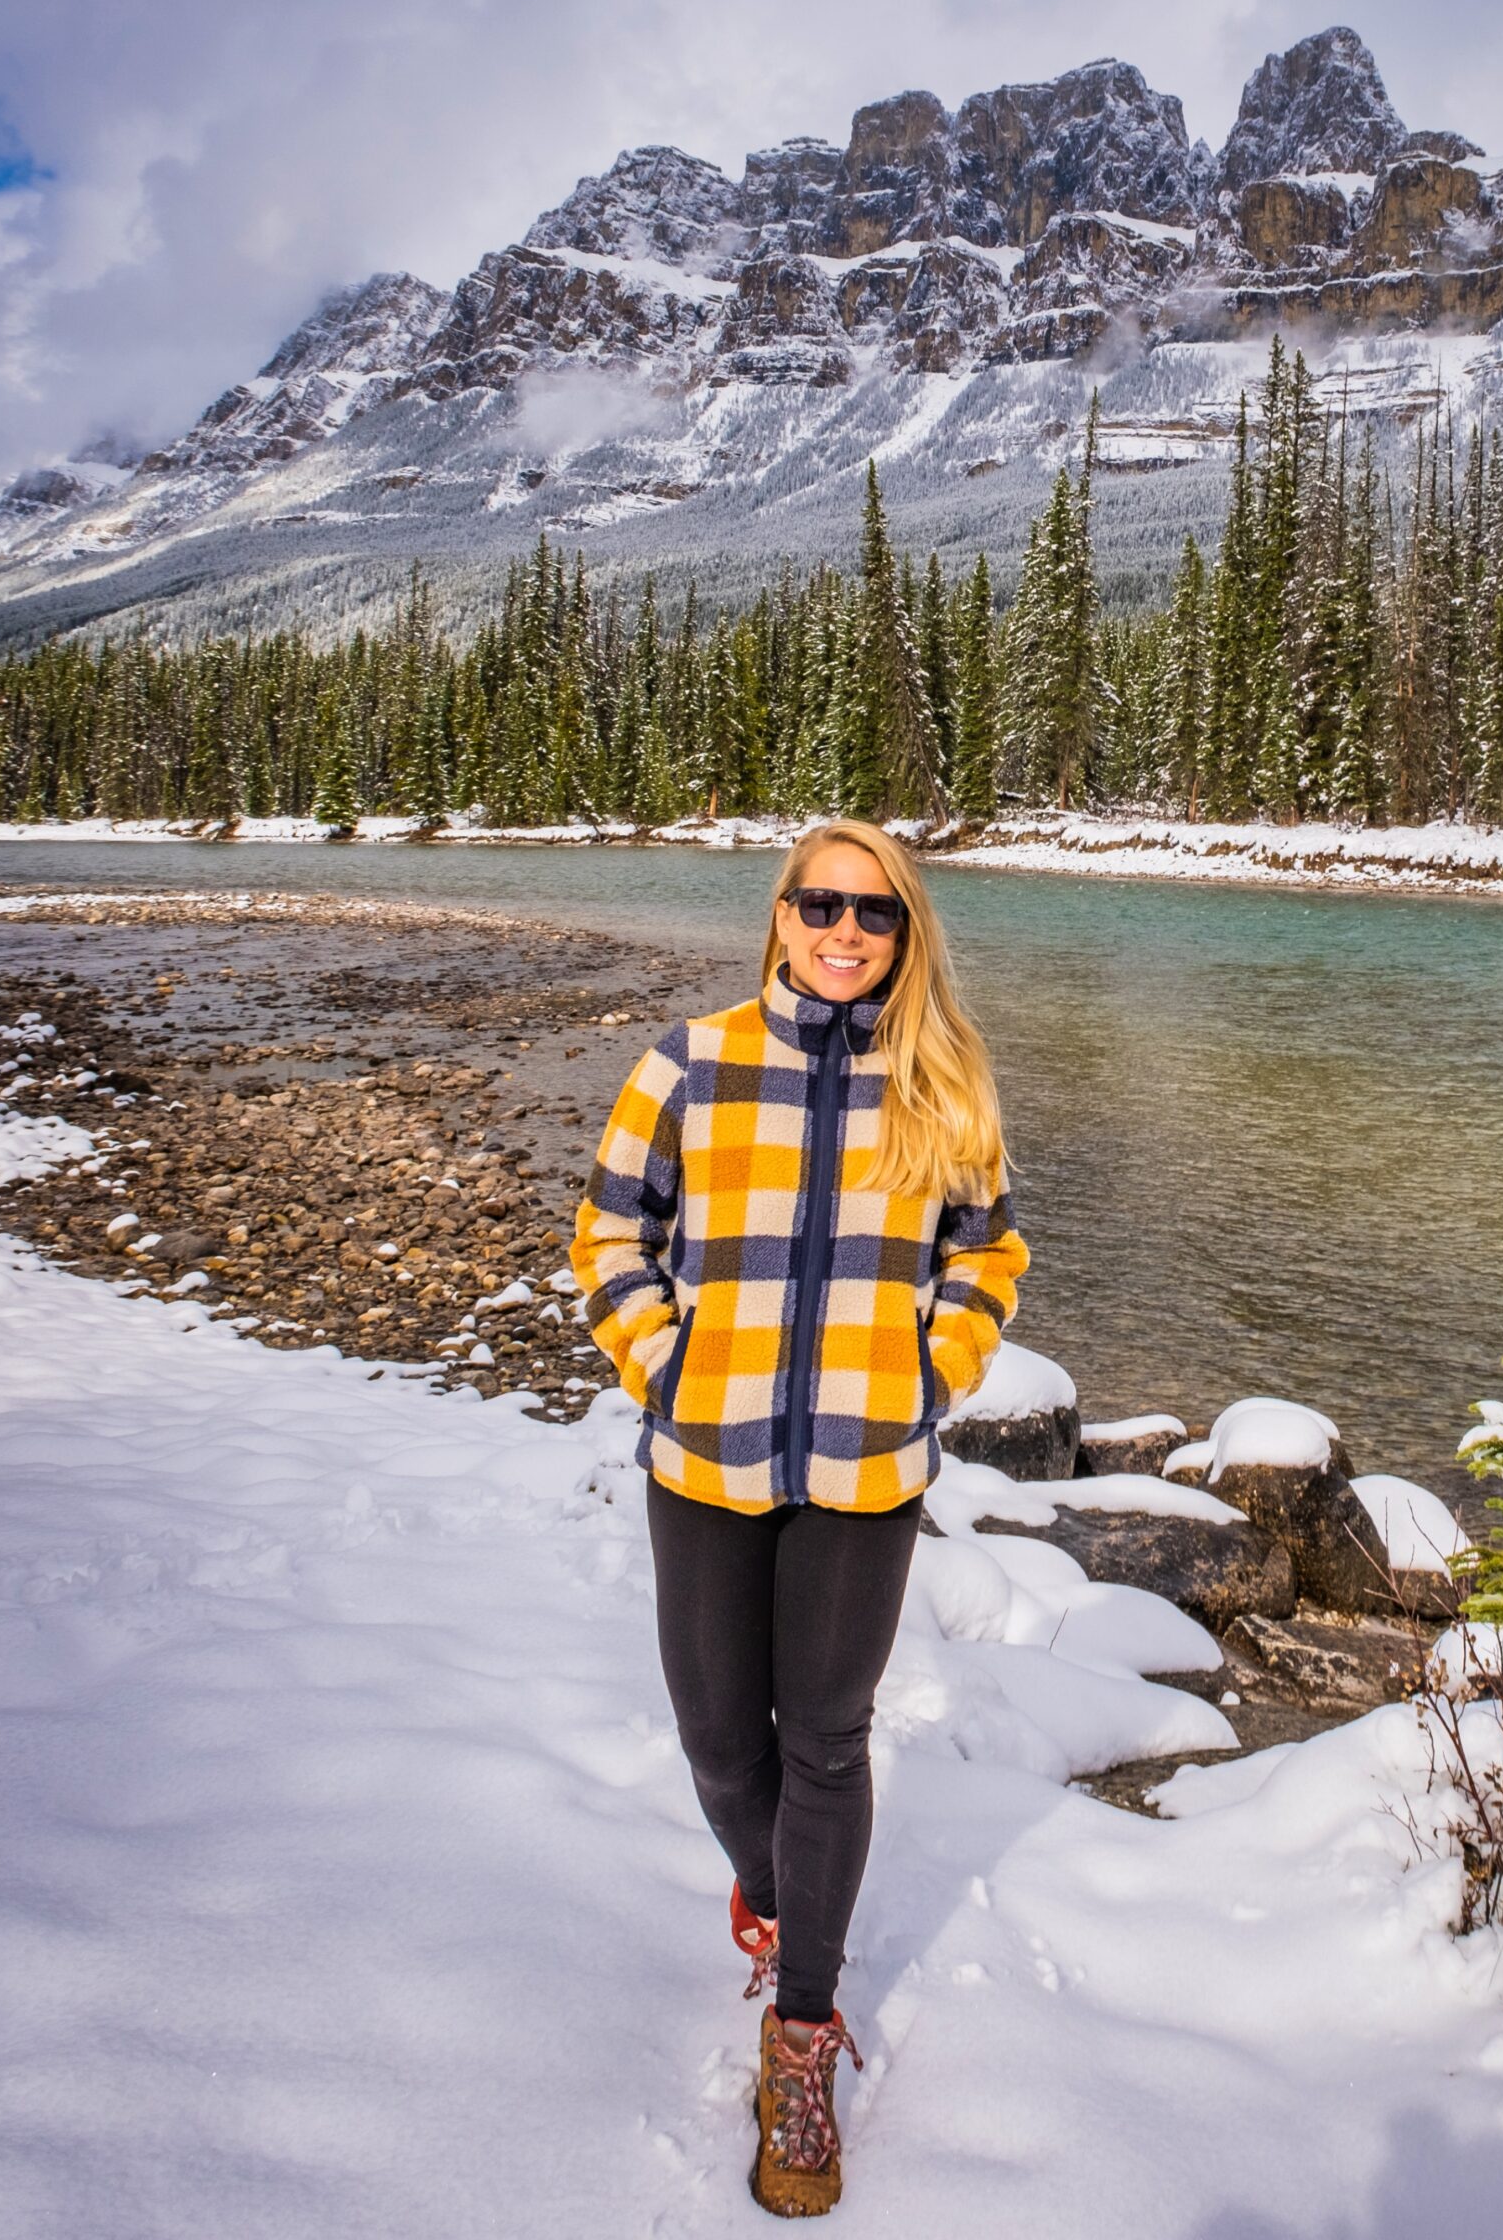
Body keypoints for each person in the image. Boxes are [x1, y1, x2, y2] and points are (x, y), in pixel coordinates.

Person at [574, 819, 1027, 2218]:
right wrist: (669, 1364)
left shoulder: (940, 1079)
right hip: (703, 1461)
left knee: (824, 1738)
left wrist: (926, 1377)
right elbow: (609, 1236)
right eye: (821, 904)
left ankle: (802, 2029)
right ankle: (776, 1898)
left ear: (906, 935)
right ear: (779, 919)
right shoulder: (690, 1063)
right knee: (721, 1745)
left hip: (863, 1472)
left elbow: (988, 1253)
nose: (845, 930)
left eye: (874, 914)